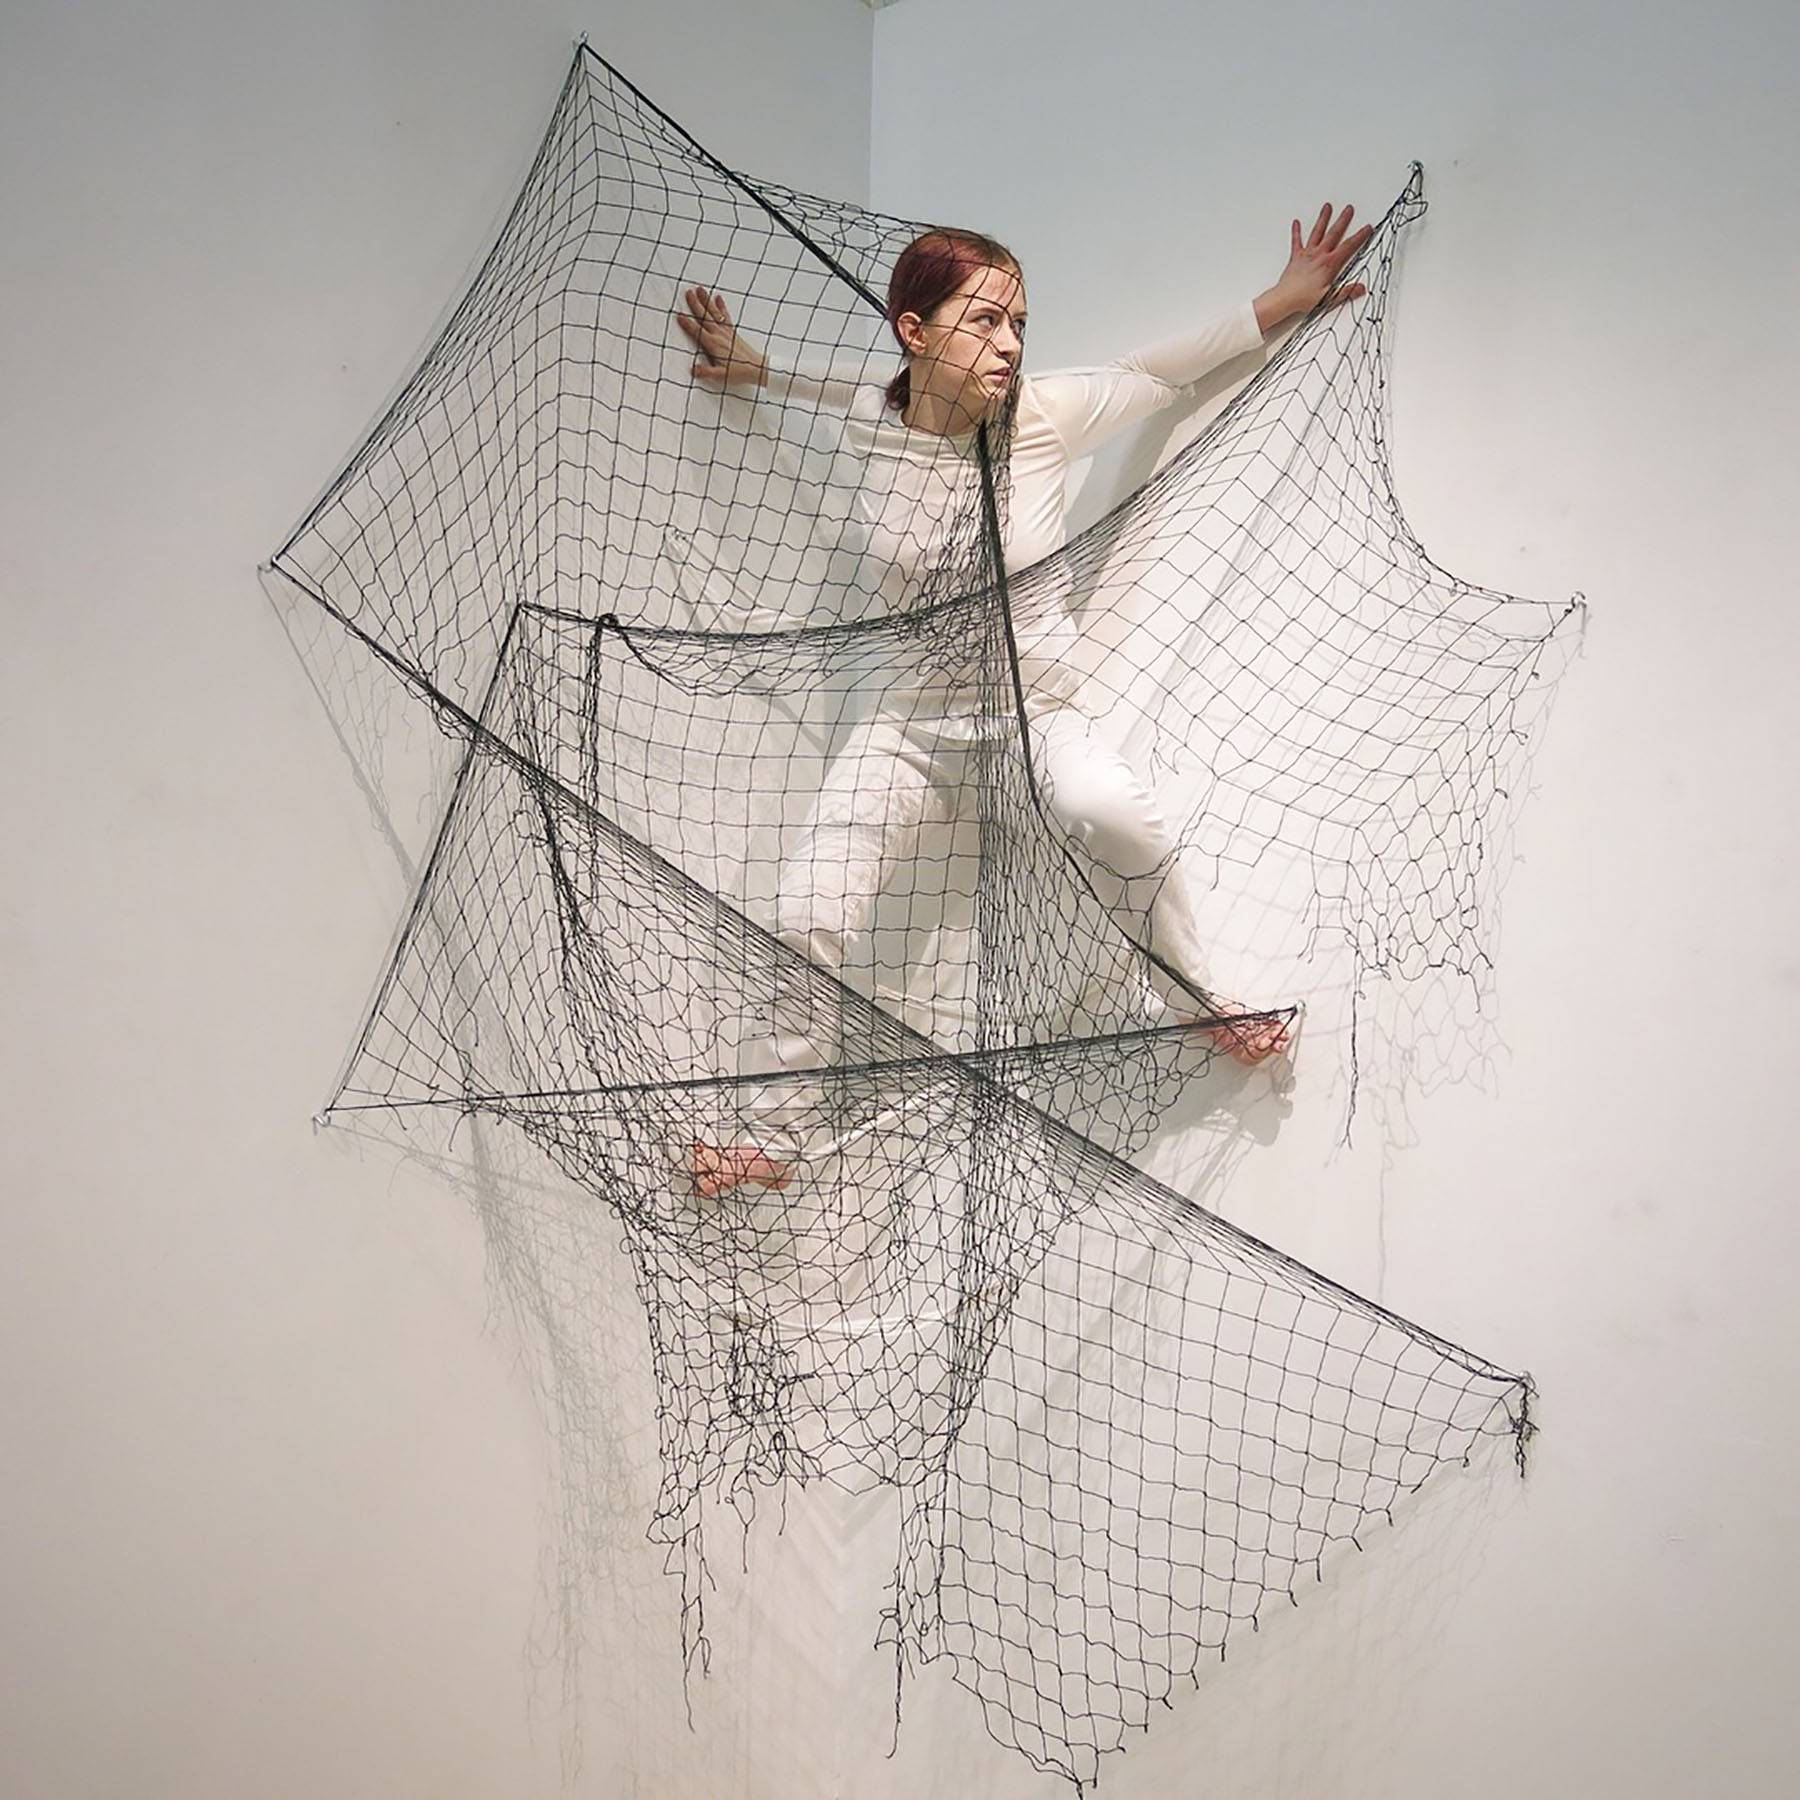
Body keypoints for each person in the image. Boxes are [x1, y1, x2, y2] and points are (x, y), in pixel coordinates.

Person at [677, 205, 1373, 1198]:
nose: (1009, 345)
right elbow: (828, 387)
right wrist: (754, 370)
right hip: (910, 727)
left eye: (1019, 324)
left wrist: (1279, 303)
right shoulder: (873, 418)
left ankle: (1200, 999)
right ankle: (768, 1138)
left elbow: (1152, 375)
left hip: (1035, 713)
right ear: (914, 333)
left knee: (1111, 813)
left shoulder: (1041, 415)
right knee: (806, 911)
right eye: (984, 321)